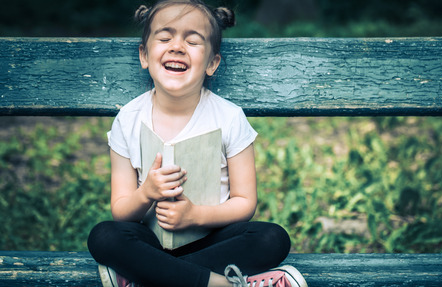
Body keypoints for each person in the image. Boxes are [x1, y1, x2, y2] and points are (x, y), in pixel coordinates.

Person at [87, 1, 308, 286]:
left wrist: (195, 216)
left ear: (212, 63)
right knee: (104, 236)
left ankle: (146, 278)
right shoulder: (128, 119)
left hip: (212, 241)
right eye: (164, 38)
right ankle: (221, 283)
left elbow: (245, 202)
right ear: (144, 55)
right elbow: (121, 210)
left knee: (272, 238)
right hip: (151, 241)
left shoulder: (229, 117)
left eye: (192, 41)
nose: (177, 46)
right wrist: (147, 193)